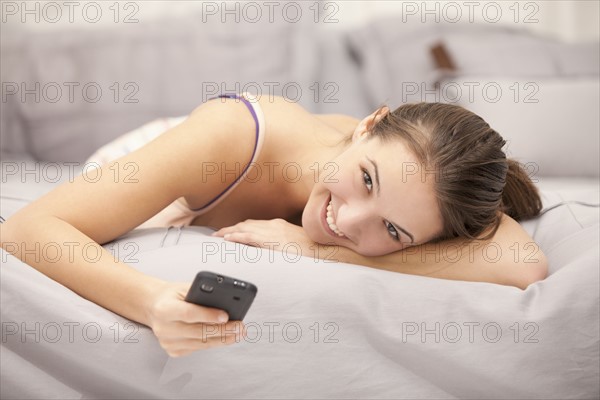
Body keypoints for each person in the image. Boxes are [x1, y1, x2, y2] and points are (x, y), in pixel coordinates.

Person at [0, 93, 547, 357]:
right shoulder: (231, 135)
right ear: (368, 126)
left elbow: (525, 263)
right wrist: (152, 302)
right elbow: (28, 228)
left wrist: (321, 253)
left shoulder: (430, 186)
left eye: (394, 232)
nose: (346, 220)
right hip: (161, 163)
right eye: (368, 180)